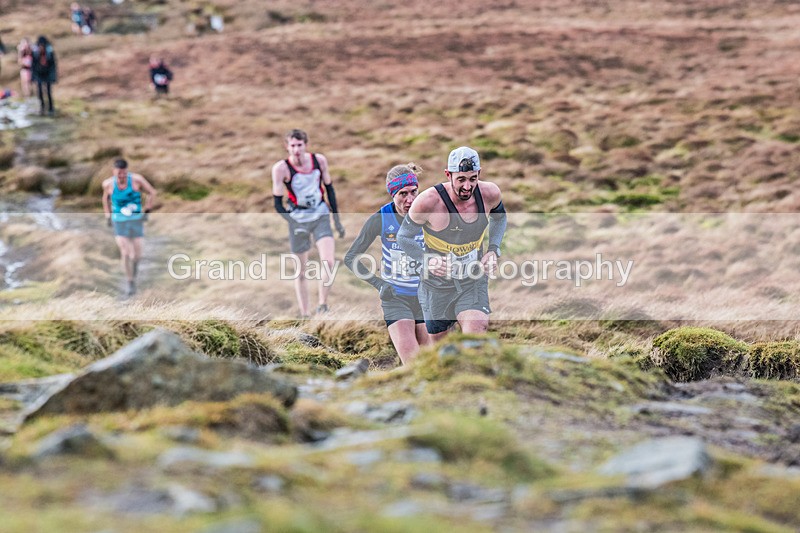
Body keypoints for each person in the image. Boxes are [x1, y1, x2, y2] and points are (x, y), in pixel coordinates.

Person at [397, 146, 507, 341]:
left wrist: (493, 249)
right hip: (435, 285)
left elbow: (499, 217)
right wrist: (427, 260)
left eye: (473, 179)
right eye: (461, 179)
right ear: (448, 175)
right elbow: (404, 237)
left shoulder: (489, 193)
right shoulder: (428, 202)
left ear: (479, 174)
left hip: (472, 278)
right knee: (442, 345)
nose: (467, 186)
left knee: (476, 332)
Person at [344, 163, 432, 365]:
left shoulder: (430, 215)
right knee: (413, 362)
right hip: (396, 297)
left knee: (429, 362)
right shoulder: (381, 219)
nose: (410, 199)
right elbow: (351, 257)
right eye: (403, 194)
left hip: (427, 296)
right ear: (392, 194)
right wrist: (379, 284)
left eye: (414, 192)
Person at [272, 129, 345, 317]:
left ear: (306, 145)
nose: (296, 150)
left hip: (320, 215)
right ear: (287, 147)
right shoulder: (281, 169)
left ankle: (322, 305)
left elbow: (330, 189)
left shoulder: (319, 161)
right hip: (298, 219)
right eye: (293, 146)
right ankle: (305, 314)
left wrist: (337, 220)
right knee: (301, 271)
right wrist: (294, 224)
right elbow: (278, 204)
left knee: (328, 262)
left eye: (300, 145)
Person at [102, 159, 157, 297]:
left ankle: (135, 270)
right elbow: (105, 199)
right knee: (126, 252)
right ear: (113, 172)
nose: (122, 176)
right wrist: (108, 215)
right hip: (119, 222)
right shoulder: (108, 184)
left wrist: (147, 210)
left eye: (124, 173)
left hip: (136, 221)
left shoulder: (137, 180)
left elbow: (152, 192)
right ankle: (130, 281)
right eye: (119, 173)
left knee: (136, 255)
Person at [31, 36, 57, 116]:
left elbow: (53, 66)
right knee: (39, 91)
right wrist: (33, 77)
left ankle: (51, 107)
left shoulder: (49, 52)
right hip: (39, 74)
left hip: (48, 74)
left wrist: (53, 77)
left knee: (48, 91)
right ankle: (42, 106)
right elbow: (33, 65)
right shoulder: (35, 53)